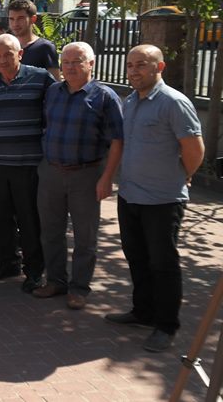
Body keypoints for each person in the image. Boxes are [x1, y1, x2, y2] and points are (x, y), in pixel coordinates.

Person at [105, 44, 204, 353]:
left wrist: (183, 175)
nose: (134, 70)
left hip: (162, 199)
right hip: (130, 195)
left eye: (142, 65)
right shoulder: (130, 102)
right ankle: (143, 311)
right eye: (130, 65)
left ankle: (166, 325)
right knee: (136, 256)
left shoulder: (174, 103)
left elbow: (194, 150)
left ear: (159, 68)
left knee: (163, 263)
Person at [34, 42, 123, 310]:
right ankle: (56, 281)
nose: (70, 67)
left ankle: (80, 287)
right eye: (66, 62)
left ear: (91, 64)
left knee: (85, 236)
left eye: (77, 61)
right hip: (51, 172)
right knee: (50, 231)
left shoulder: (105, 97)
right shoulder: (53, 92)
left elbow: (118, 140)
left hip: (86, 174)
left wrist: (107, 177)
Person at [0, 34, 55, 292]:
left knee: (29, 218)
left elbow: (53, 114)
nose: (2, 60)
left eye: (8, 54)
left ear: (20, 53)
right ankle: (7, 262)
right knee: (1, 217)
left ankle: (34, 271)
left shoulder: (41, 78)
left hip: (29, 163)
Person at [7, 0, 60, 79]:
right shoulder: (6, 46)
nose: (15, 24)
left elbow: (55, 83)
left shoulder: (45, 47)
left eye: (20, 18)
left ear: (33, 19)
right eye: (11, 19)